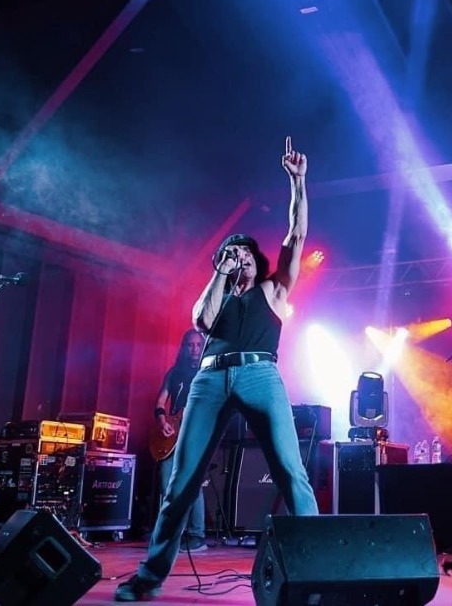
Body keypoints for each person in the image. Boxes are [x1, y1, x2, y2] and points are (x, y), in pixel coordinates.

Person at [117, 137, 317, 602]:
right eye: (232, 251)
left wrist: (298, 183)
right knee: (182, 482)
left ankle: (314, 569)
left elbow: (297, 234)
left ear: (257, 258)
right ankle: (148, 576)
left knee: (292, 471)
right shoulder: (219, 292)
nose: (240, 255)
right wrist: (221, 273)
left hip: (260, 374)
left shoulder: (274, 290)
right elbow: (201, 321)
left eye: (246, 251)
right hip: (209, 378)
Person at [151, 328, 207, 552]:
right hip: (170, 434)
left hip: (193, 432)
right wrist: (162, 422)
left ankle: (197, 535)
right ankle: (169, 534)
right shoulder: (173, 373)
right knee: (167, 486)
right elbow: (160, 402)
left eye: (197, 345)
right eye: (190, 345)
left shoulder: (206, 372)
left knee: (194, 485)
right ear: (184, 348)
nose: (194, 349)